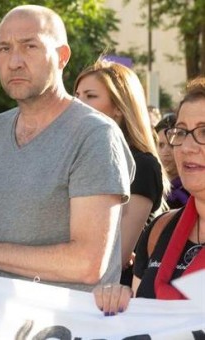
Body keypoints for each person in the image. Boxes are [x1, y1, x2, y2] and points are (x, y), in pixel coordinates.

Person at [0, 5, 134, 291]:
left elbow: (88, 263)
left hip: (70, 328)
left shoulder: (95, 135)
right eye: (4, 48)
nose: (14, 61)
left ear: (62, 57)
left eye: (30, 46)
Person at [93, 77, 205, 316]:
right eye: (182, 131)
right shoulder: (159, 229)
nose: (186, 147)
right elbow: (140, 321)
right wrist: (121, 301)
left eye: (204, 132)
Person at [74, 59, 167, 284]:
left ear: (119, 107)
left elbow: (116, 257)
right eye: (76, 96)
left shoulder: (143, 166)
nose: (77, 104)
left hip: (110, 301)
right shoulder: (76, 159)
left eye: (90, 96)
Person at [155, 114, 190, 208]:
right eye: (161, 145)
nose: (165, 152)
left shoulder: (194, 189)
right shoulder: (150, 184)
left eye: (171, 145)